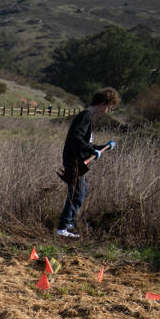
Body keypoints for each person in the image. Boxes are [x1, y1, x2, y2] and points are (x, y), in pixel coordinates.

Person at [56, 87, 119, 238]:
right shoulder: (85, 116)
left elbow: (84, 142)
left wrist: (101, 147)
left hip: (79, 160)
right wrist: (92, 151)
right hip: (74, 161)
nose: (108, 110)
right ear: (103, 103)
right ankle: (64, 227)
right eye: (109, 107)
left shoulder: (87, 117)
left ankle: (68, 224)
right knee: (77, 193)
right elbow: (76, 138)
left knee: (81, 191)